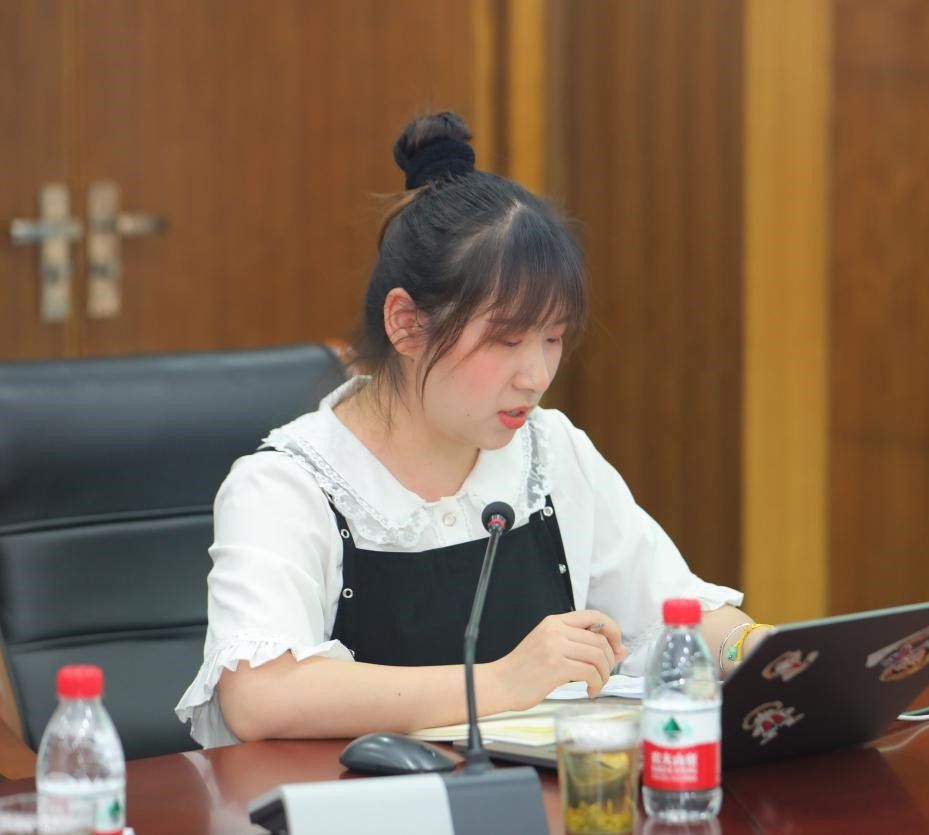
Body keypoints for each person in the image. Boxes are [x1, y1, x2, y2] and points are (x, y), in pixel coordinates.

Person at [175, 112, 772, 748]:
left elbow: (674, 613)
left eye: (553, 338)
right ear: (406, 324)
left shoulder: (552, 450)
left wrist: (758, 649)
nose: (536, 376)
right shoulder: (286, 486)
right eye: (507, 340)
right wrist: (503, 681)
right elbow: (260, 696)